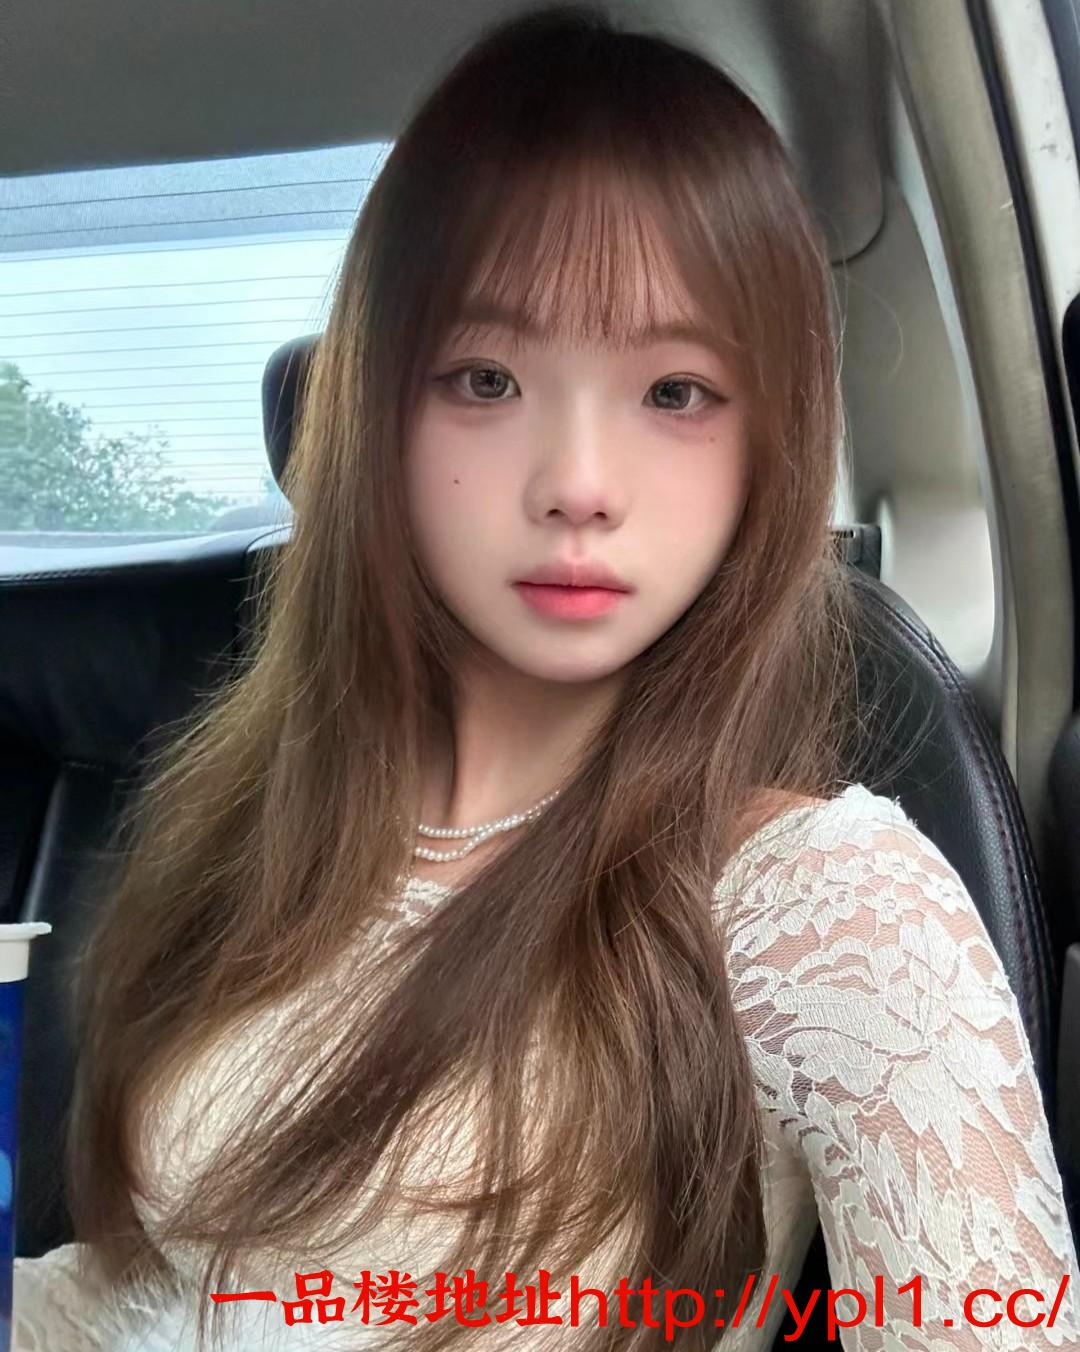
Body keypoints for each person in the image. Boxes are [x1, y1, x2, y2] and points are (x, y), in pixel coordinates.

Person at [14, 5, 1080, 1350]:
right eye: (485, 378)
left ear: (773, 437)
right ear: (375, 417)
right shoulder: (251, 823)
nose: (578, 484)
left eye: (675, 392)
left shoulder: (831, 910)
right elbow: (159, 1284)